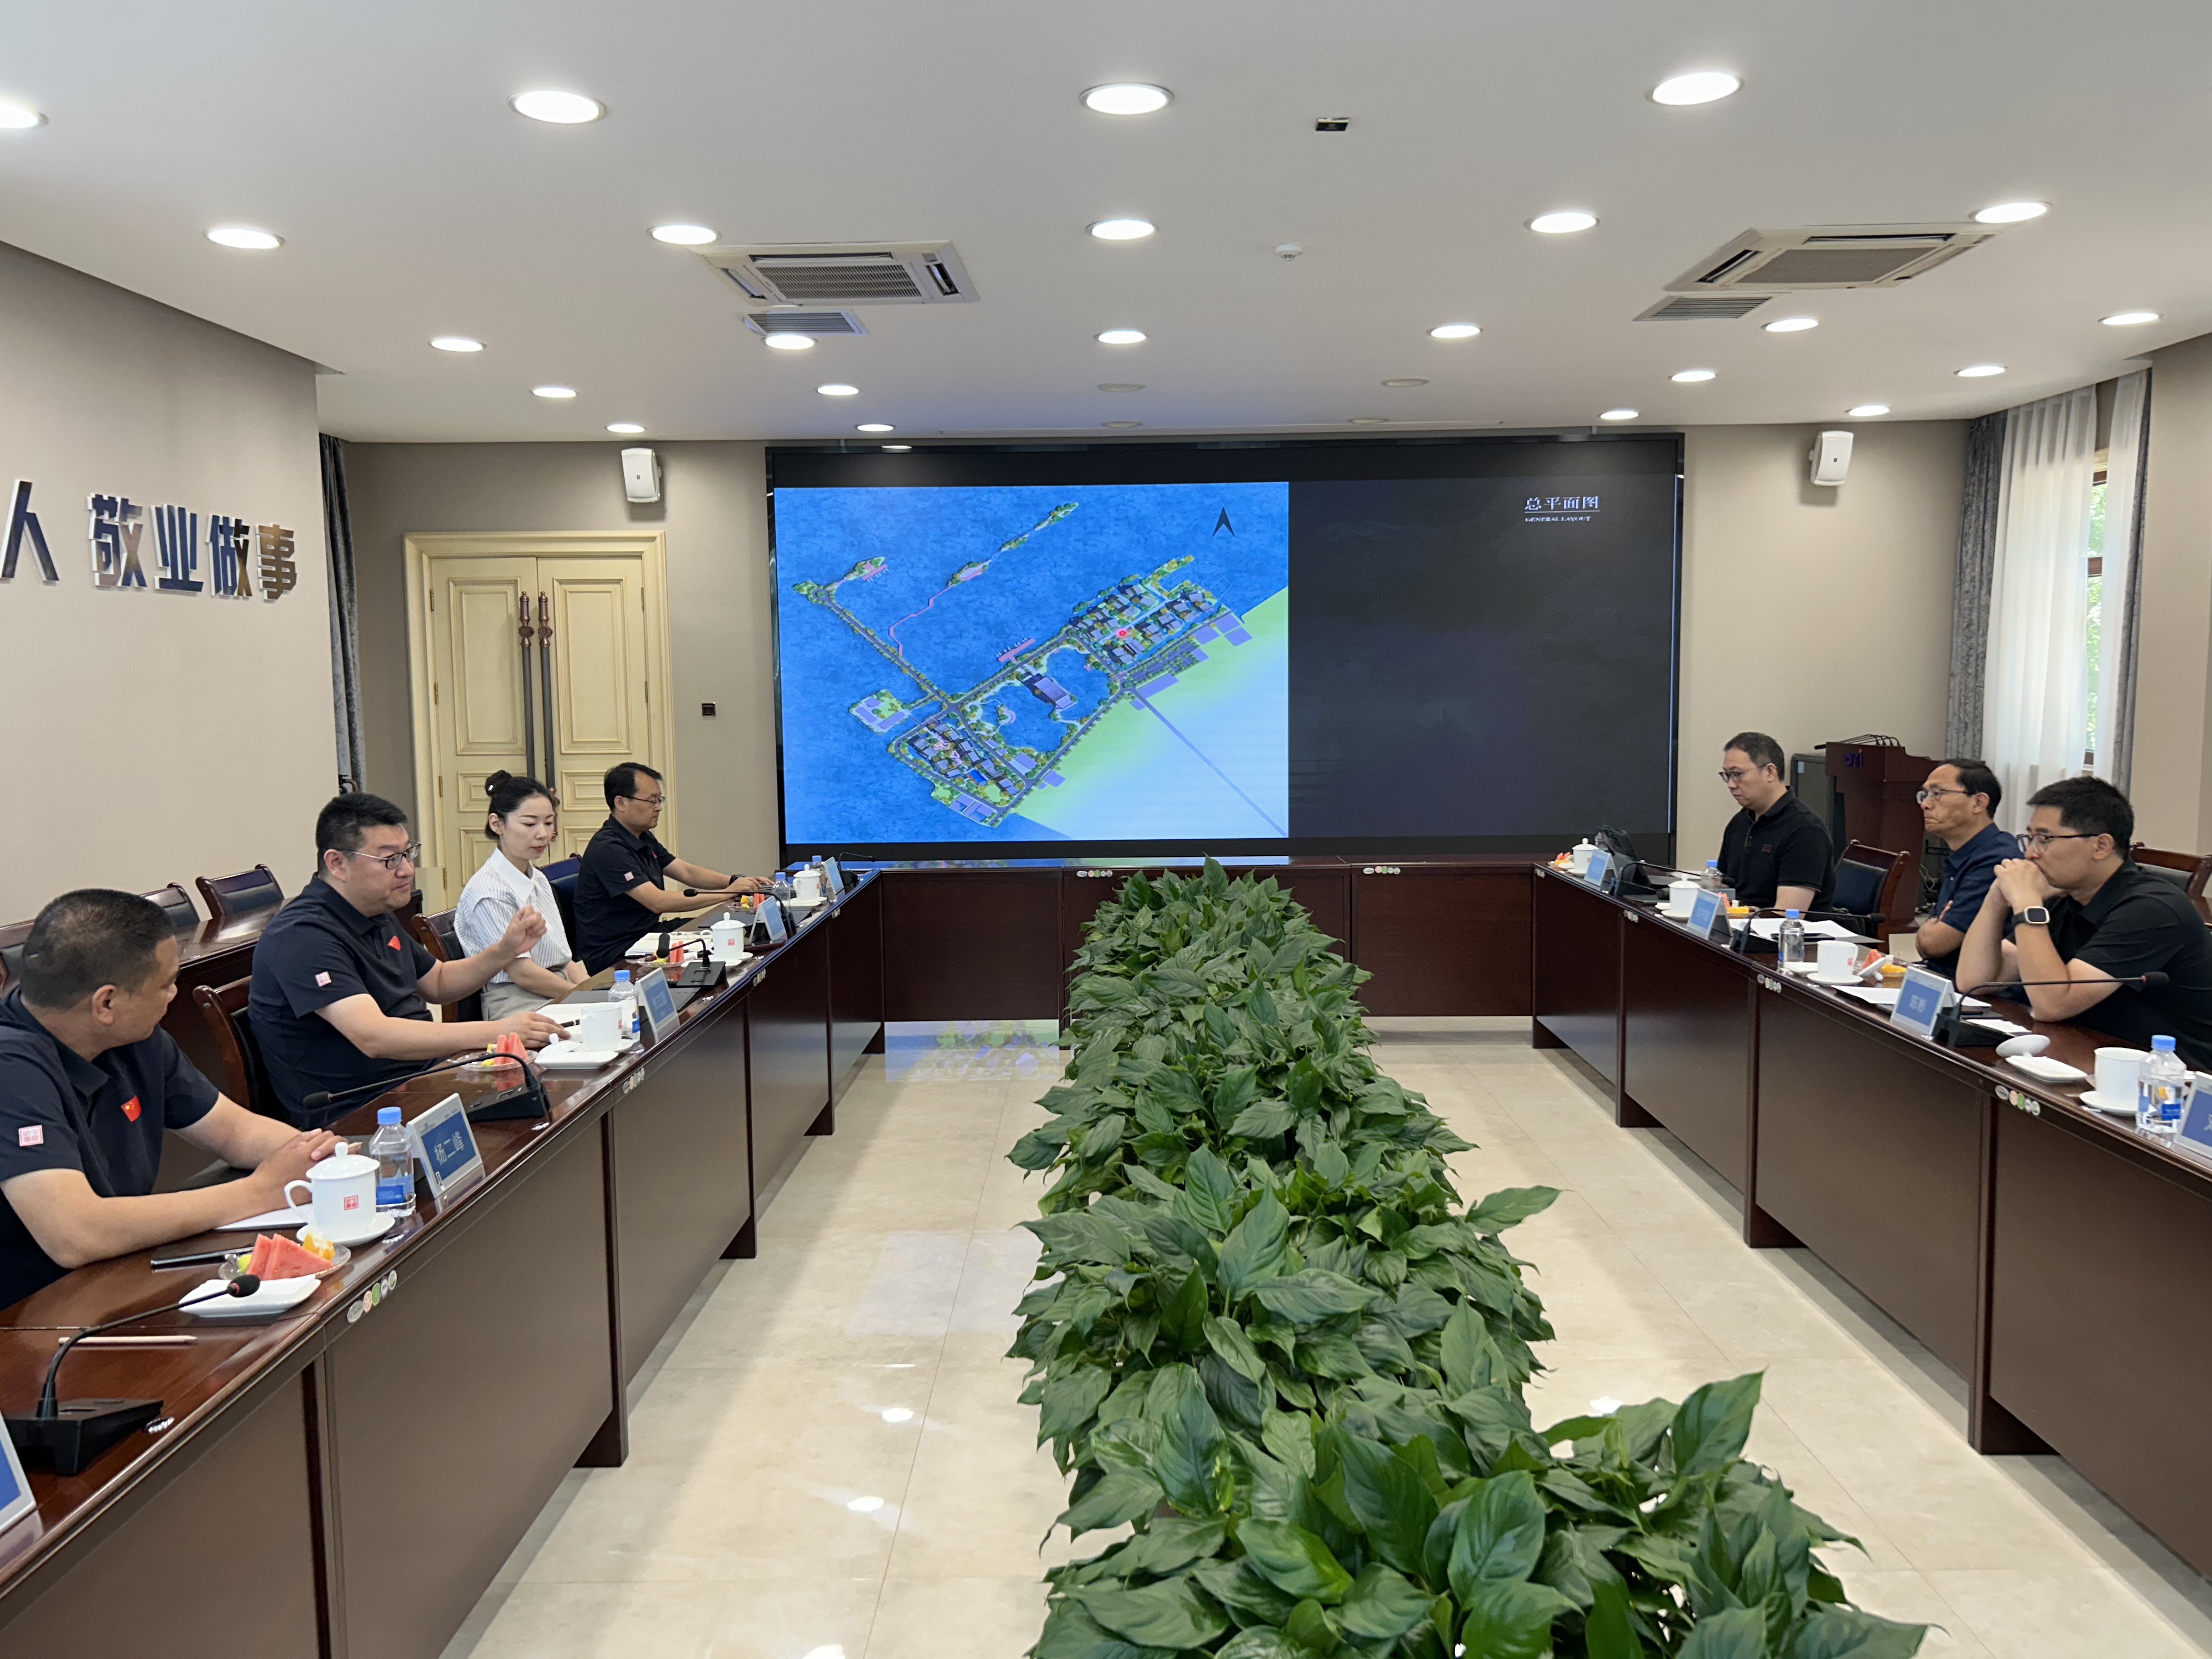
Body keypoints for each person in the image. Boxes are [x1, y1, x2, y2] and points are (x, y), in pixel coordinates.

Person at [0, 890, 342, 1310]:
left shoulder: (133, 1037)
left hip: (115, 1277)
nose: (174, 994)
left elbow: (234, 1131)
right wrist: (260, 1191)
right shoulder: (11, 1067)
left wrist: (326, 1161)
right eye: (165, 984)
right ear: (106, 1003)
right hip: (32, 1314)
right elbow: (76, 1233)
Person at [251, 793, 565, 1126]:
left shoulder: (374, 910)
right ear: (337, 863)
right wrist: (496, 1031)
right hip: (361, 1109)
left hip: (421, 1079)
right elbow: (374, 1036)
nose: (407, 870)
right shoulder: (303, 934)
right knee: (543, 1110)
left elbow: (439, 982)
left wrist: (504, 951)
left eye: (407, 854)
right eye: (390, 860)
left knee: (554, 1085)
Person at [1956, 776, 2212, 1066]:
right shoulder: (2064, 895)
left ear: (2101, 846)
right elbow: (1973, 981)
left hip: (2169, 1076)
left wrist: (2027, 903)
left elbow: (2052, 1004)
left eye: (2045, 839)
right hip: (2088, 1050)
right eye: (2030, 838)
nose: (2030, 853)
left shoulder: (2151, 909)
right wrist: (1996, 899)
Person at [573, 763, 771, 974]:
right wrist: (728, 893)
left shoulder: (641, 836)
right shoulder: (608, 848)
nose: (658, 807)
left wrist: (734, 881)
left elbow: (686, 872)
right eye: (652, 801)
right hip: (618, 953)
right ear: (621, 803)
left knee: (732, 935)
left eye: (660, 800)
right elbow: (657, 902)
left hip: (649, 936)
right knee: (719, 948)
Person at [455, 771, 588, 1019]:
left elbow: (563, 958)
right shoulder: (489, 891)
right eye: (529, 824)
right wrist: (582, 997)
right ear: (497, 824)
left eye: (548, 823)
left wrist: (592, 992)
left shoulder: (537, 877)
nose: (543, 834)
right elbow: (523, 973)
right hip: (517, 1001)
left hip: (555, 986)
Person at [1911, 759, 2017, 978]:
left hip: (1972, 989)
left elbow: (1935, 944)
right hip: (1942, 975)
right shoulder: (1967, 853)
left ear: (1978, 803)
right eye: (1925, 795)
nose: (1925, 805)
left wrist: (1928, 932)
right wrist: (1928, 933)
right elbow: (1929, 945)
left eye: (1937, 794)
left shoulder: (1997, 860)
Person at [1716, 731, 1835, 912]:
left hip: (1774, 929)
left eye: (1737, 774)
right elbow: (1722, 889)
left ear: (1770, 772)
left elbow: (1786, 917)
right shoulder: (1740, 822)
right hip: (1737, 923)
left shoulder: (1805, 831)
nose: (1731, 785)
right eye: (1727, 775)